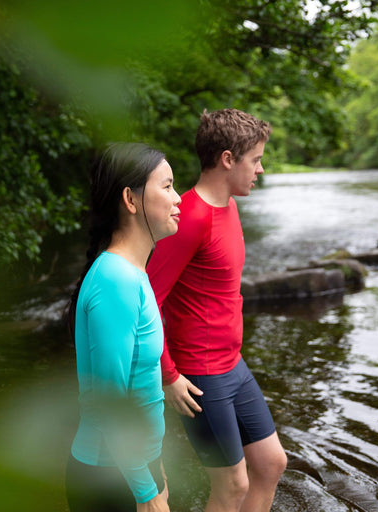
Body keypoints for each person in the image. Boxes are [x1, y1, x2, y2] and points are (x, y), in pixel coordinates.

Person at [146, 109, 287, 512]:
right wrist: (168, 375)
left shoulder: (229, 206)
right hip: (199, 372)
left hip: (232, 364)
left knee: (272, 464)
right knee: (231, 486)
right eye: (255, 159)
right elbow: (148, 299)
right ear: (228, 159)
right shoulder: (188, 217)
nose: (260, 168)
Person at [65, 142, 182, 512]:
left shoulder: (133, 272)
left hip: (130, 467)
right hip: (109, 478)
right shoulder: (115, 280)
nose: (178, 198)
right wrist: (145, 493)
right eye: (166, 186)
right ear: (130, 200)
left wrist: (155, 466)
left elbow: (141, 390)